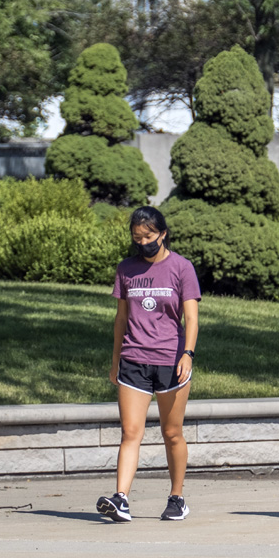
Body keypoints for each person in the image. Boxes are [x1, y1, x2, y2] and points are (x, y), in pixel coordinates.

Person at [97, 206, 201, 523]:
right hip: (134, 359)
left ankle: (177, 498)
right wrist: (115, 360)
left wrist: (188, 353)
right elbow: (121, 319)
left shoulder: (182, 268)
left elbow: (192, 318)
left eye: (148, 236)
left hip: (171, 361)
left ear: (163, 233)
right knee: (130, 432)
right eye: (137, 237)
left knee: (172, 433)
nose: (143, 242)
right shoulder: (126, 269)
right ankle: (121, 499)